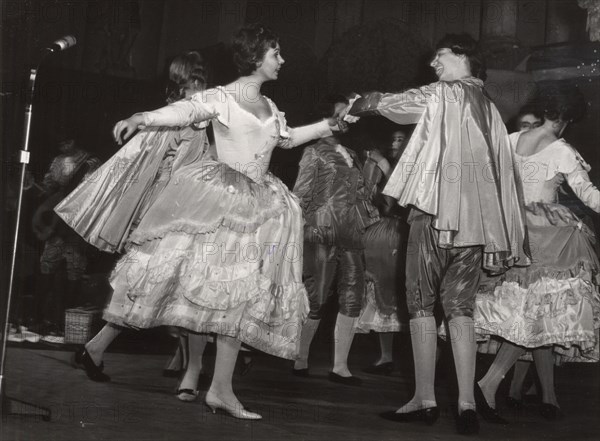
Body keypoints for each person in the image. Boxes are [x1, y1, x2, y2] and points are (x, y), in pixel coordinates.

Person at [57, 23, 346, 420]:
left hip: (259, 206)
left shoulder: (268, 105)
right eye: (276, 53)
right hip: (220, 204)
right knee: (206, 291)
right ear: (255, 57)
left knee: (237, 297)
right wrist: (144, 117)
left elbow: (288, 138)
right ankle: (212, 385)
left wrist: (331, 125)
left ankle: (220, 389)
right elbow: (187, 109)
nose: (282, 61)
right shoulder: (222, 97)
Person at [347, 33, 529, 435]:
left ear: (462, 56)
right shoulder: (491, 108)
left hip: (433, 216)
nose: (434, 63)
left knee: (420, 303)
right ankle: (466, 403)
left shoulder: (445, 93)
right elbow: (506, 176)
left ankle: (424, 400)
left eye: (440, 56)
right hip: (476, 226)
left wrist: (360, 103)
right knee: (461, 309)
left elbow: (396, 104)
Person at [474, 83, 600, 422]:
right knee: (538, 315)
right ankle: (489, 382)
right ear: (564, 118)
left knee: (536, 315)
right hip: (547, 235)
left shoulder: (511, 141)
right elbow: (588, 194)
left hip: (508, 230)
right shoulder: (561, 149)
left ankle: (546, 395)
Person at [291, 95, 379, 385]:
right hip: (321, 231)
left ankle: (340, 366)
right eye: (340, 114)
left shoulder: (352, 154)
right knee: (316, 296)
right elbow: (301, 195)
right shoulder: (313, 152)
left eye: (348, 115)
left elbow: (363, 194)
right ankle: (300, 358)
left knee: (353, 296)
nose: (345, 119)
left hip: (351, 232)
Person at [32, 135, 100, 341]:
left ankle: (68, 323)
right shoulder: (57, 161)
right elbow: (50, 186)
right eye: (60, 143)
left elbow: (97, 188)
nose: (63, 146)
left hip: (79, 220)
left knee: (74, 270)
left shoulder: (91, 162)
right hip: (57, 220)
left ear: (75, 140)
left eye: (67, 142)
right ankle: (39, 318)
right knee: (47, 267)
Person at [358, 128, 410, 375]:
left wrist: (385, 164)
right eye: (392, 138)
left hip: (404, 230)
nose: (394, 143)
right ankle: (386, 355)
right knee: (380, 290)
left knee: (401, 291)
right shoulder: (380, 164)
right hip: (382, 230)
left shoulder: (412, 162)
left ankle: (415, 357)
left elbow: (402, 196)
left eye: (400, 139)